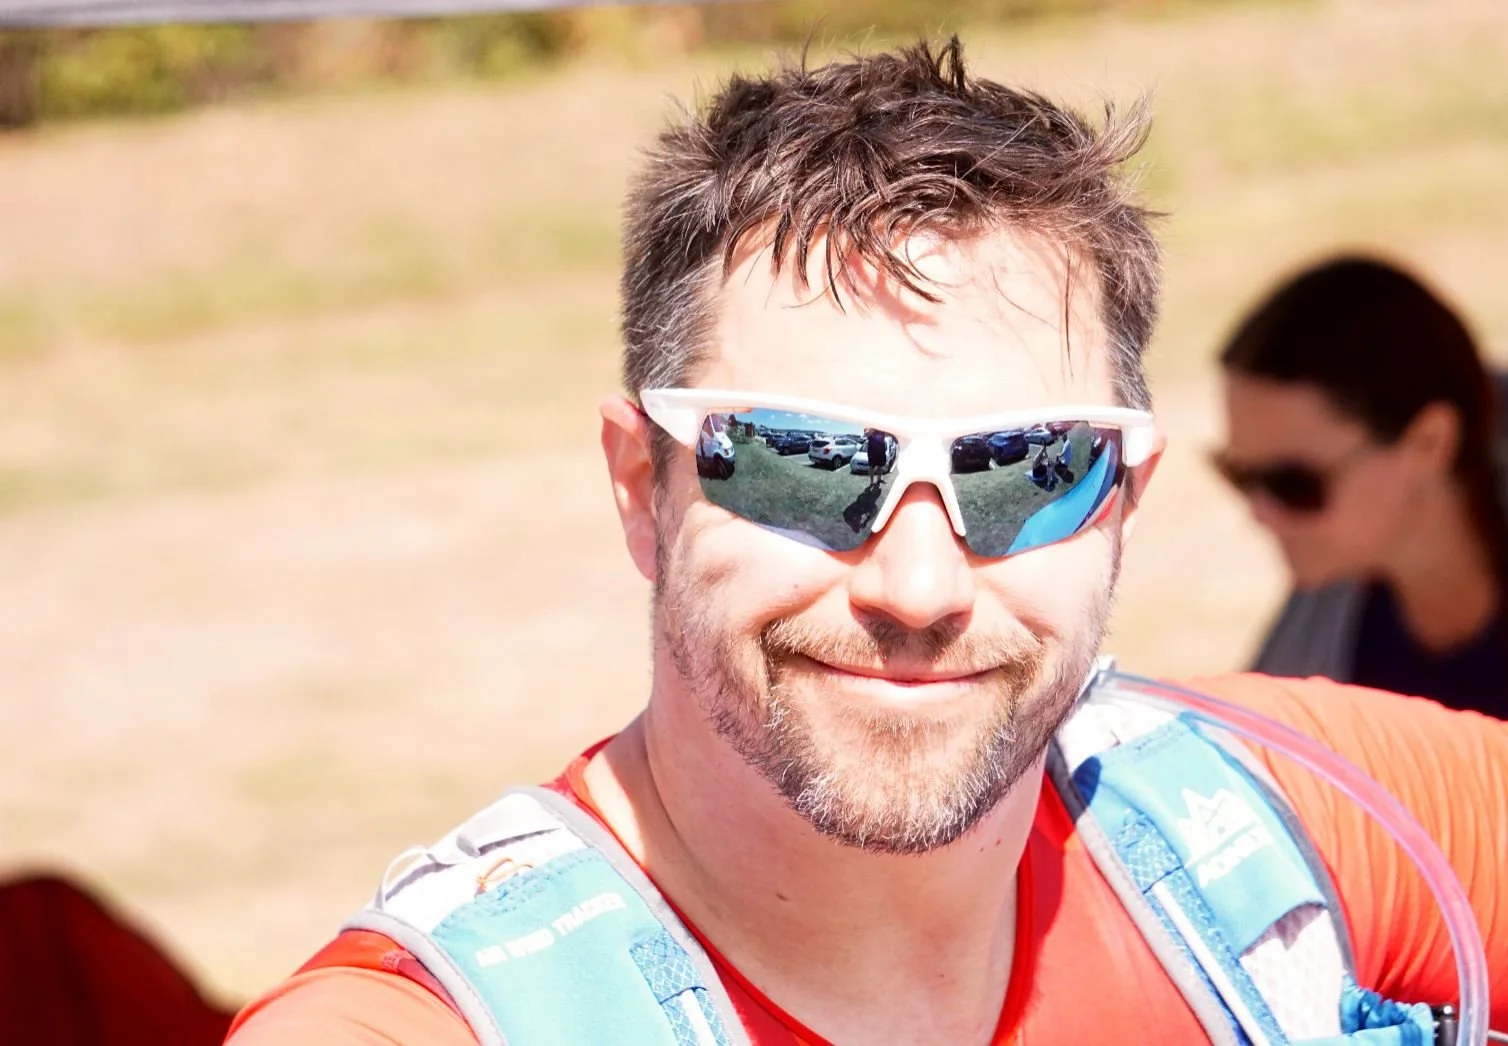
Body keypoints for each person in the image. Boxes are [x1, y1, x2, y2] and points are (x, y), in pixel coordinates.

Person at [226, 40, 1508, 1046]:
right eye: (803, 463)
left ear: (1122, 494)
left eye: (1025, 469)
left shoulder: (1278, 820)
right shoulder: (443, 1015)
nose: (918, 584)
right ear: (639, 482)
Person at [1215, 256, 1508, 718]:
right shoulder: (1314, 650)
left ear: (1430, 442)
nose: (1260, 511)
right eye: (1237, 475)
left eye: (1293, 484)